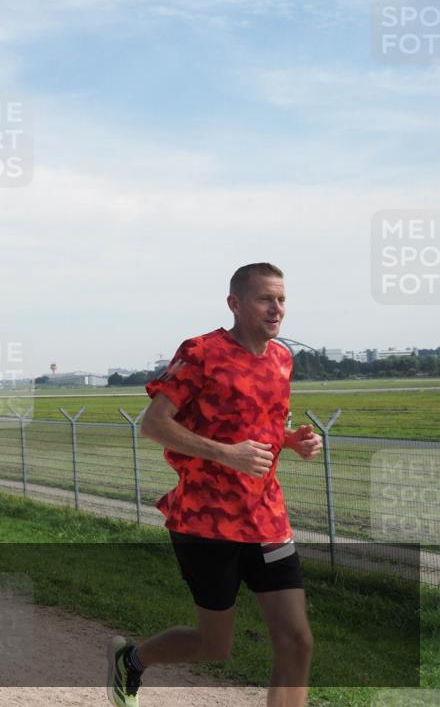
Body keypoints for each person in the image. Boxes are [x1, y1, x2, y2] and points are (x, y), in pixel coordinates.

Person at [107, 263, 323, 707]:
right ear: (235, 304)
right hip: (205, 522)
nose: (276, 308)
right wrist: (226, 454)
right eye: (265, 298)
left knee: (296, 641)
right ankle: (131, 661)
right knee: (214, 646)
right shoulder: (202, 352)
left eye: (281, 299)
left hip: (267, 519)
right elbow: (153, 424)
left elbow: (256, 427)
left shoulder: (283, 359)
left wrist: (290, 440)